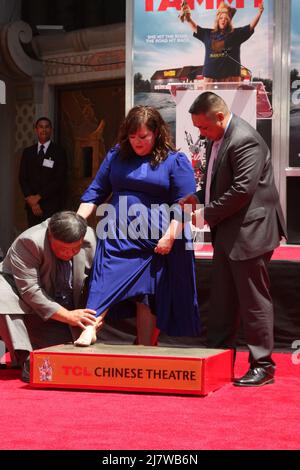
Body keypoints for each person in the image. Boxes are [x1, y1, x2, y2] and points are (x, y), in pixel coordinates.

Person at [179, 92, 287, 387]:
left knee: (253, 301)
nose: (200, 133)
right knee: (223, 301)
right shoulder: (218, 140)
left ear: (219, 117)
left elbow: (242, 190)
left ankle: (263, 365)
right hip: (230, 233)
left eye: (203, 127)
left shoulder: (244, 140)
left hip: (250, 232)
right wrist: (198, 197)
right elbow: (219, 182)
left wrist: (203, 215)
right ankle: (218, 357)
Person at [74, 105, 200, 347]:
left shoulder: (176, 161)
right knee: (104, 276)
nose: (137, 142)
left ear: (157, 133)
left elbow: (185, 204)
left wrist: (170, 237)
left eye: (143, 137)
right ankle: (90, 328)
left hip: (158, 238)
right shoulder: (116, 156)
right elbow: (94, 193)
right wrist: (77, 224)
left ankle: (145, 346)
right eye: (132, 137)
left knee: (148, 294)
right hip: (118, 232)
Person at [0, 211, 97, 382]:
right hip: (22, 298)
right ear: (50, 236)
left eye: (75, 249)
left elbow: (98, 280)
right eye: (62, 249)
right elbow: (31, 290)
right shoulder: (29, 242)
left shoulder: (90, 237)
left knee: (61, 354)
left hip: (63, 303)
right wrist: (67, 316)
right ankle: (25, 359)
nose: (68, 254)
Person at [179, 1, 264, 82]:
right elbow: (194, 27)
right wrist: (188, 17)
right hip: (210, 78)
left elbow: (251, 26)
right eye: (221, 18)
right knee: (208, 97)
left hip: (231, 78)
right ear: (217, 20)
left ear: (229, 21)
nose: (223, 20)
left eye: (226, 19)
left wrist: (259, 13)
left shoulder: (235, 34)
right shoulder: (208, 34)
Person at [19, 117, 68, 227]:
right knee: (32, 239)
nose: (44, 130)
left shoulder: (59, 152)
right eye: (41, 127)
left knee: (49, 238)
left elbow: (59, 180)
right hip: (32, 207)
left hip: (51, 206)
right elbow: (22, 178)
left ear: (51, 130)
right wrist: (31, 200)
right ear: (36, 130)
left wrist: (38, 197)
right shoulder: (28, 152)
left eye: (47, 127)